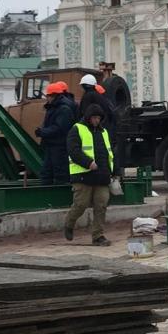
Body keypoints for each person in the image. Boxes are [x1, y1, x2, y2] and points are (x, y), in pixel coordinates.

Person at [64, 103, 115, 246]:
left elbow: (109, 153)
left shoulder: (104, 132)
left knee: (101, 205)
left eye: (99, 118)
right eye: (94, 118)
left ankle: (98, 236)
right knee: (81, 204)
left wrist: (113, 172)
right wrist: (88, 163)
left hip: (102, 176)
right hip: (83, 175)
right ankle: (69, 223)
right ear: (88, 117)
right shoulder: (77, 129)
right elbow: (73, 151)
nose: (96, 120)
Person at [35, 81, 75, 184]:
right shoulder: (56, 107)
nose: (46, 98)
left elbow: (59, 128)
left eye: (48, 96)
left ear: (54, 96)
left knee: (59, 173)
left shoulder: (63, 109)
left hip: (59, 146)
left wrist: (43, 132)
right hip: (52, 145)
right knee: (47, 172)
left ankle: (58, 196)